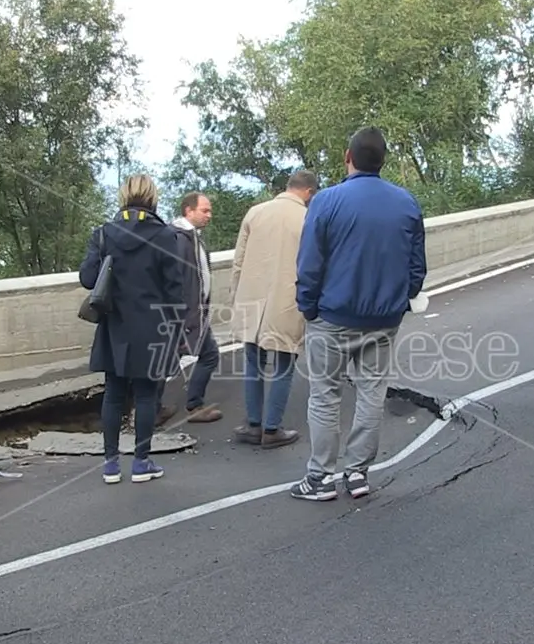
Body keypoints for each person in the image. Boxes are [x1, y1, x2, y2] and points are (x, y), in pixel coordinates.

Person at [291, 127, 426, 501]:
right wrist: (401, 298)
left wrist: (309, 307)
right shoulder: (406, 202)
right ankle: (357, 474)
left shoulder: (327, 201)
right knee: (371, 393)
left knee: (325, 395)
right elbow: (417, 267)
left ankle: (319, 478)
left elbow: (310, 263)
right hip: (383, 319)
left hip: (332, 317)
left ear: (347, 157)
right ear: (381, 161)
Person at [80, 174, 185, 483]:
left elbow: (88, 279)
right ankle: (141, 462)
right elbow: (174, 290)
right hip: (153, 327)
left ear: (123, 197)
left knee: (113, 393)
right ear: (153, 198)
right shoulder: (166, 236)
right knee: (145, 396)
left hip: (114, 325)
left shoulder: (104, 234)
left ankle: (111, 465)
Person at [229, 170, 319, 449]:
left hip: (251, 299)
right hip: (288, 300)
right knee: (284, 363)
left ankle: (253, 424)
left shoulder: (255, 213)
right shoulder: (307, 219)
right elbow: (315, 264)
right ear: (309, 192)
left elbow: (238, 262)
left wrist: (236, 298)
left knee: (253, 362)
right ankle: (272, 428)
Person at [167, 191, 223, 423]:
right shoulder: (180, 239)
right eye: (204, 210)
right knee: (208, 355)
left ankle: (148, 408)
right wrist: (184, 315)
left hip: (193, 312)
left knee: (170, 359)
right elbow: (176, 280)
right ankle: (194, 406)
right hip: (187, 315)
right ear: (188, 211)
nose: (209, 215)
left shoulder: (192, 237)